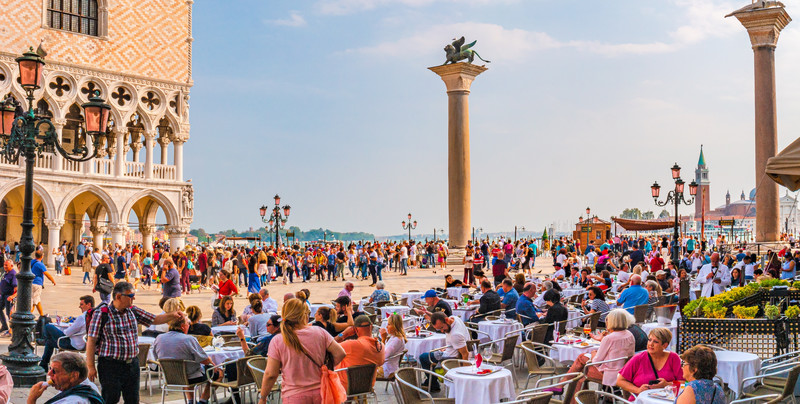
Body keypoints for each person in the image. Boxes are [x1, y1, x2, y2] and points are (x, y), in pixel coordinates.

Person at [86, 281, 184, 404]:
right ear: (118, 296)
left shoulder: (133, 311)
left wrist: (173, 315)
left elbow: (154, 319)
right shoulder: (102, 314)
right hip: (110, 365)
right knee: (110, 398)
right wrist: (90, 366)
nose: (134, 298)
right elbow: (91, 340)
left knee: (132, 399)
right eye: (130, 296)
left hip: (132, 364)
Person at [258, 298, 346, 404]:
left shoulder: (278, 340)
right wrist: (325, 368)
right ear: (304, 315)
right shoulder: (319, 332)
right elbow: (340, 353)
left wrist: (263, 397)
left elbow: (271, 374)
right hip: (321, 392)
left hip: (294, 395)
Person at [555, 309, 635, 394]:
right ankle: (562, 387)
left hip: (610, 374)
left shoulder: (609, 338)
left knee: (580, 372)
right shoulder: (629, 335)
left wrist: (594, 353)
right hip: (625, 372)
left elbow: (596, 362)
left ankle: (561, 386)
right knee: (582, 361)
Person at [152, 317, 218, 404]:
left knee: (187, 369)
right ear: (183, 326)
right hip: (191, 377)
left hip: (169, 377)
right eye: (188, 324)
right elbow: (204, 360)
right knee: (217, 373)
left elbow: (156, 357)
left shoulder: (159, 338)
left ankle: (191, 401)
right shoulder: (188, 339)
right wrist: (210, 360)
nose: (189, 326)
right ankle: (203, 401)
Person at [617, 327, 683, 397]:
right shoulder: (638, 358)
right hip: (642, 400)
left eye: (656, 342)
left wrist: (667, 384)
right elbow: (620, 380)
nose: (650, 344)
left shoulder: (673, 358)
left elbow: (685, 382)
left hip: (667, 399)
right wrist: (638, 390)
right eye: (649, 340)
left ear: (665, 345)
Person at [39, 295, 94, 371]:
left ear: (88, 305)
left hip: (73, 343)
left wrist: (65, 329)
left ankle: (43, 340)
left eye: (82, 304)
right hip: (82, 342)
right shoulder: (93, 316)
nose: (79, 306)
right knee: (50, 342)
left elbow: (67, 333)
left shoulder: (82, 318)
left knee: (48, 326)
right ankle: (43, 364)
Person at [418, 312, 470, 392]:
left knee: (423, 357)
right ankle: (431, 382)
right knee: (429, 353)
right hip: (449, 350)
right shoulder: (454, 318)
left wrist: (464, 375)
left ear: (446, 320)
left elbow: (465, 354)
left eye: (442, 328)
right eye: (440, 329)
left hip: (450, 359)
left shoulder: (455, 334)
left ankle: (433, 384)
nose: (442, 331)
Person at [27, 352, 103, 404]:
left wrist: (31, 400)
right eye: (50, 369)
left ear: (74, 376)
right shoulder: (89, 386)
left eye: (55, 371)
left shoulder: (72, 401)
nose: (49, 374)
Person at [335, 315, 385, 389]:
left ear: (355, 330)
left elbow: (330, 344)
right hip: (367, 386)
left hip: (345, 386)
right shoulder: (381, 347)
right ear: (371, 326)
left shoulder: (351, 345)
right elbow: (381, 363)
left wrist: (343, 333)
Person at [377, 313, 407, 379]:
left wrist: (383, 339)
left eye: (389, 324)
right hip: (389, 367)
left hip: (387, 370)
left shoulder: (396, 340)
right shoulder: (394, 337)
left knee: (364, 372)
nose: (387, 327)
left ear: (395, 326)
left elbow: (383, 356)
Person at [31, 250, 56, 316]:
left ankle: (42, 315)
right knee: (34, 301)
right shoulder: (40, 264)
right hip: (37, 284)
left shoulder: (32, 262)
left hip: (30, 283)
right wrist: (53, 280)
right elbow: (47, 274)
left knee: (37, 300)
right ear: (42, 256)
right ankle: (28, 316)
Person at [0, 260, 17, 335]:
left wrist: (12, 296)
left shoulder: (13, 274)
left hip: (8, 296)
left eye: (6, 265)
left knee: (9, 313)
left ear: (11, 266)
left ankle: (12, 329)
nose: (5, 266)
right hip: (3, 295)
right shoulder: (5, 273)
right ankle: (4, 325)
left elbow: (16, 288)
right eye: (4, 265)